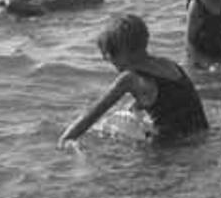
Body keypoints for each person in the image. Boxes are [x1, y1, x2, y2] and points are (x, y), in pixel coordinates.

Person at [58, 14, 209, 144]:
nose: (108, 61)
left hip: (171, 148)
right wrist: (135, 107)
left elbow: (91, 116)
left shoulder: (129, 79)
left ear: (121, 52)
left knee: (110, 139)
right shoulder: (169, 64)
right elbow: (171, 100)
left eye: (108, 55)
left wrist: (64, 140)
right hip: (202, 136)